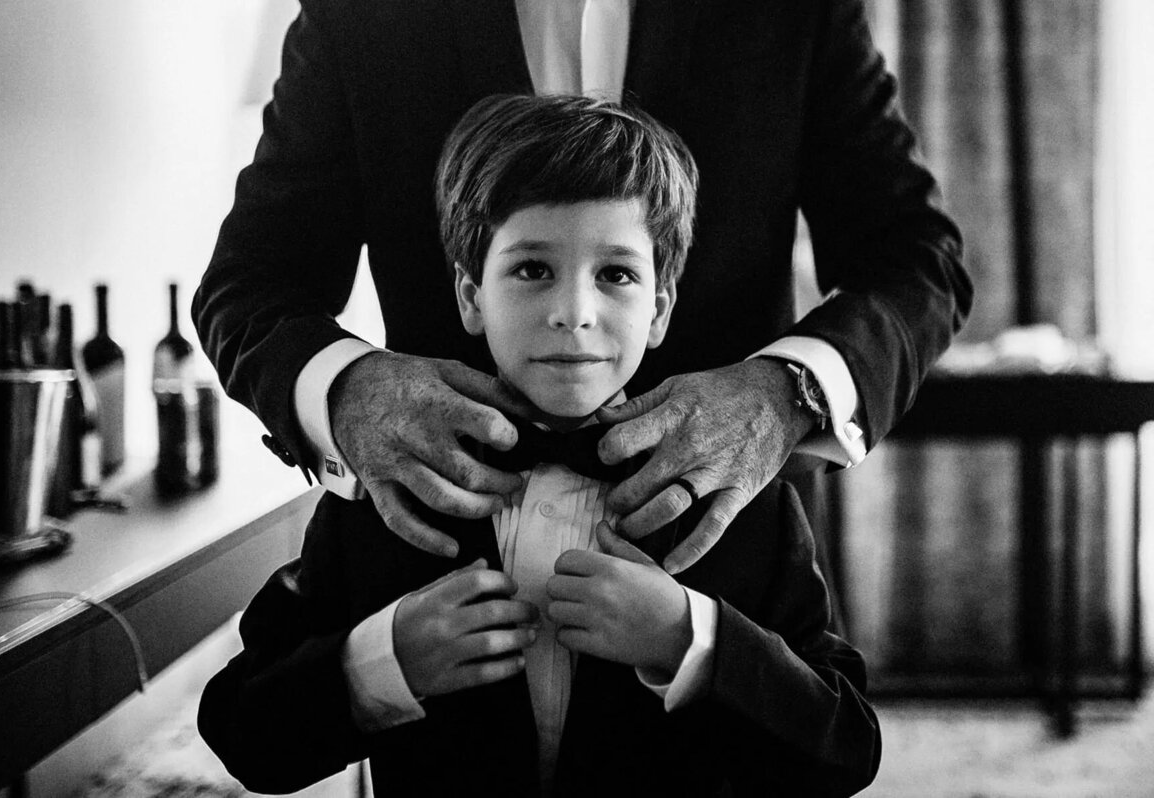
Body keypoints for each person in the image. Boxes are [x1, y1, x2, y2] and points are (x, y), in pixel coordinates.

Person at [198, 94, 880, 798]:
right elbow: (244, 733)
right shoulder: (391, 489)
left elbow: (846, 748)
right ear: (470, 295)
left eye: (615, 274)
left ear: (661, 308)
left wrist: (692, 640)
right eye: (532, 270)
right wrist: (384, 660)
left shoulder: (734, 500)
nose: (573, 314)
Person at [193, 0, 971, 574]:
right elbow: (251, 283)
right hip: (436, 568)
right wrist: (349, 390)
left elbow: (914, 258)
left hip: (722, 557)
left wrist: (783, 395)